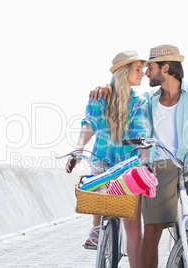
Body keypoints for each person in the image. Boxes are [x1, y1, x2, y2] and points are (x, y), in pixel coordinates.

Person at [90, 44, 188, 268]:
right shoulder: (148, 100)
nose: (145, 72)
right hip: (162, 168)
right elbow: (124, 93)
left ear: (165, 68)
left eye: (150, 67)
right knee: (152, 230)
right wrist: (107, 89)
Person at [66, 50, 151, 268]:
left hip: (128, 163)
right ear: (125, 73)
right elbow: (89, 123)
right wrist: (78, 149)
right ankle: (96, 227)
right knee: (98, 168)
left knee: (133, 226)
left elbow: (141, 131)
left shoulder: (139, 102)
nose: (143, 74)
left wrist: (145, 160)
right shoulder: (99, 96)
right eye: (138, 69)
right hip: (102, 159)